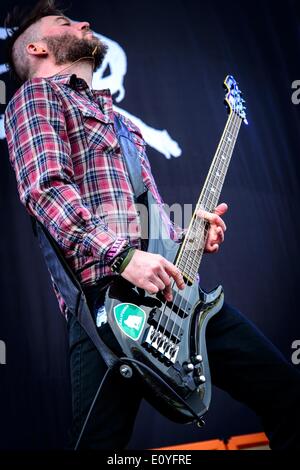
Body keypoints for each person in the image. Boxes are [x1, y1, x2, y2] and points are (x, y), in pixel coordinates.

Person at [4, 0, 300, 450]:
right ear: (39, 47)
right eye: (66, 22)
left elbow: (146, 218)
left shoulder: (123, 123)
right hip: (106, 302)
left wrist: (190, 238)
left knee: (288, 396)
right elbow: (46, 191)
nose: (84, 22)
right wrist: (123, 258)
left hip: (178, 299)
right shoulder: (35, 98)